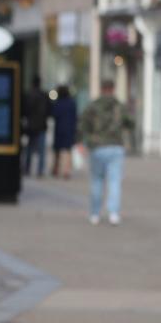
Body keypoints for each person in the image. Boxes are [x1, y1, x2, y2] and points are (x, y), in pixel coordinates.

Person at [79, 80, 134, 225]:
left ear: (102, 88)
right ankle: (113, 213)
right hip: (115, 147)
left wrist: (81, 141)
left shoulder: (93, 106)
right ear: (113, 89)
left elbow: (83, 124)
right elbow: (130, 122)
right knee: (115, 181)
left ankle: (95, 214)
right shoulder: (119, 106)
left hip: (97, 147)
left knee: (97, 180)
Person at [22, 76, 50, 178]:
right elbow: (49, 110)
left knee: (29, 147)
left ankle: (26, 168)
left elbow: (24, 110)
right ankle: (40, 170)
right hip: (41, 125)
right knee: (41, 150)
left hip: (31, 125)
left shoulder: (29, 95)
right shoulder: (44, 95)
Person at [50, 84, 78, 179]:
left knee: (57, 150)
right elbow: (75, 117)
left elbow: (54, 114)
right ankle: (67, 170)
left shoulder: (58, 103)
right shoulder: (72, 103)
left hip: (59, 128)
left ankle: (56, 168)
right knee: (68, 150)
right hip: (69, 129)